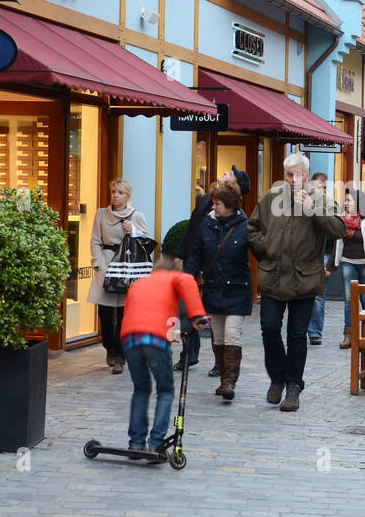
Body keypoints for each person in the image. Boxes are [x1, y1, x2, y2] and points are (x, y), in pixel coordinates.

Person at [248, 153, 345, 412]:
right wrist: (265, 247)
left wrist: (313, 211)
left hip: (305, 279)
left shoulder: (321, 199)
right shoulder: (271, 198)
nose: (293, 180)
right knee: (269, 329)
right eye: (290, 175)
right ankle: (277, 378)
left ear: (307, 175)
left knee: (297, 335)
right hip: (273, 276)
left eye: (299, 174)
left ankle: (294, 386)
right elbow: (252, 228)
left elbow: (339, 229)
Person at [119, 254, 209, 452]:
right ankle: (155, 443)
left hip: (131, 339)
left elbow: (141, 316)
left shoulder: (139, 283)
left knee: (141, 389)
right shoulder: (174, 278)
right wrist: (198, 316)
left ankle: (135, 443)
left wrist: (175, 334)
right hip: (155, 340)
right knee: (165, 390)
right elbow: (187, 280)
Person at [185, 184, 251, 400]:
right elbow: (196, 252)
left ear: (230, 206)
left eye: (217, 203)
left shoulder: (245, 226)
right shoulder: (207, 224)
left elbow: (260, 251)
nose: (213, 207)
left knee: (232, 334)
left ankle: (230, 382)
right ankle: (224, 379)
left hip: (237, 289)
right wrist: (187, 278)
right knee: (219, 337)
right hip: (214, 288)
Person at [90, 179, 151, 374]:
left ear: (128, 196)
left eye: (120, 192)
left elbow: (147, 242)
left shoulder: (136, 216)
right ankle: (109, 346)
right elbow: (95, 241)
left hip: (127, 267)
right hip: (107, 265)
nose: (115, 195)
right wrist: (98, 263)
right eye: (113, 191)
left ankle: (120, 356)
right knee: (105, 313)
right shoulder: (101, 214)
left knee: (125, 315)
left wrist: (132, 230)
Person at [328, 190, 365, 348]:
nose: (346, 203)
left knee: (364, 298)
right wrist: (330, 266)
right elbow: (337, 244)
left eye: (349, 200)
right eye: (345, 200)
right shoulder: (341, 219)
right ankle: (349, 335)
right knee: (349, 298)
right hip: (347, 262)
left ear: (359, 203)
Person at [308, 172, 339, 345]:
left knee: (319, 295)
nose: (324, 191)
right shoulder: (302, 205)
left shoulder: (331, 205)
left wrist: (331, 263)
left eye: (326, 187)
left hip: (324, 252)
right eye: (320, 187)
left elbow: (336, 236)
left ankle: (314, 332)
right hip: (306, 253)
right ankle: (302, 327)